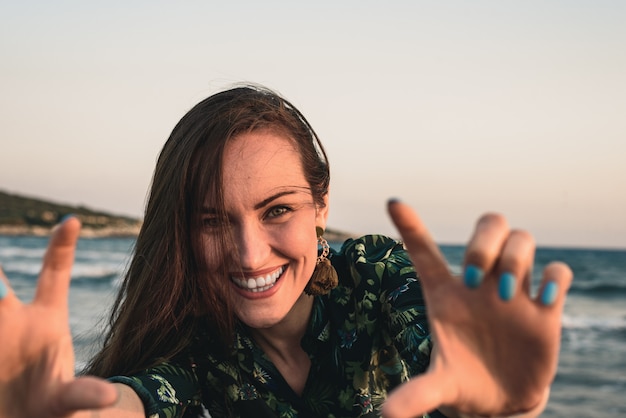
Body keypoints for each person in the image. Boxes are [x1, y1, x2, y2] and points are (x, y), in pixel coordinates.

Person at [0, 85, 572, 418]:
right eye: (212, 221)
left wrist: (511, 408)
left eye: (277, 211)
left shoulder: (375, 276)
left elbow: (450, 367)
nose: (249, 255)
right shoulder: (197, 359)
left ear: (320, 206)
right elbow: (136, 402)